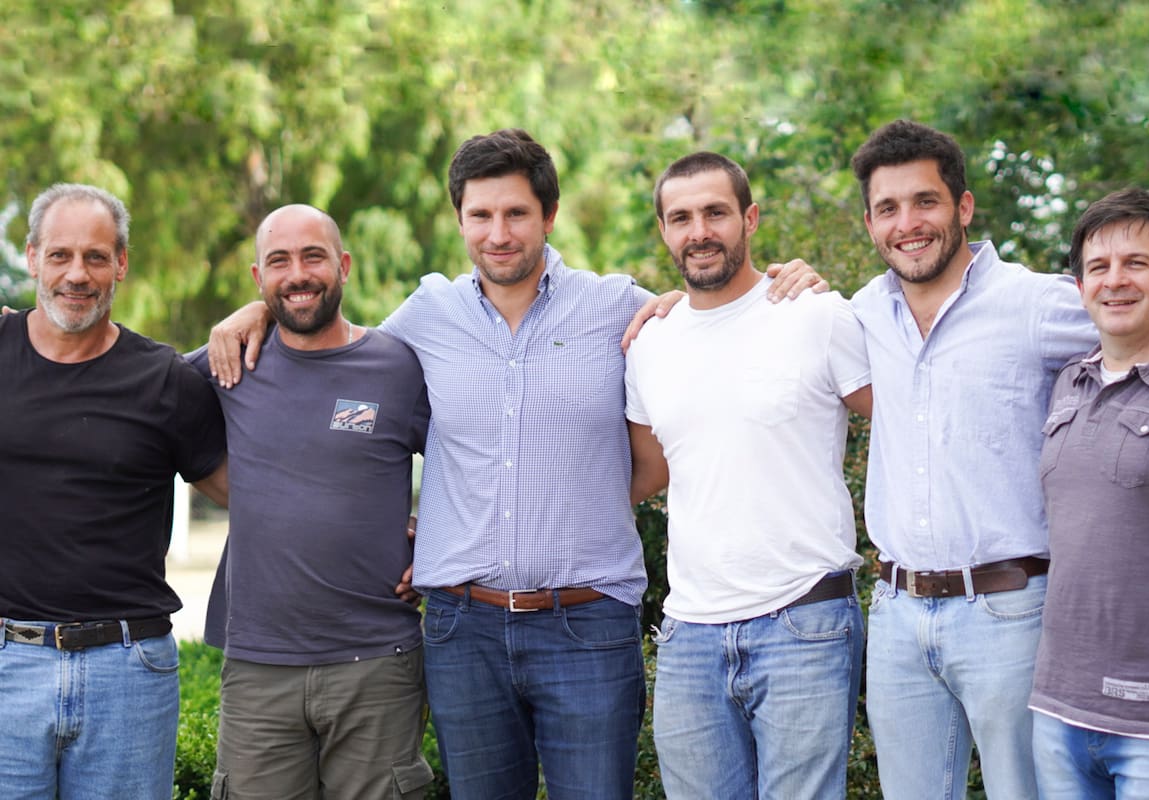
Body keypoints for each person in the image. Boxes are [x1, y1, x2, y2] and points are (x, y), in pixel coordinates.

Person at [203, 131, 828, 797]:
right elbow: (336, 351)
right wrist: (257, 312)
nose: (498, 233)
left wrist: (785, 283)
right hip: (462, 630)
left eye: (516, 214)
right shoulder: (424, 317)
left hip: (587, 625)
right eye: (481, 215)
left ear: (548, 216)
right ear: (460, 220)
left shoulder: (618, 308)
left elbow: (705, 330)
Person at [848, 120, 1096, 799]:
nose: (908, 223)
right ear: (870, 223)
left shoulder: (1034, 304)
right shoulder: (860, 315)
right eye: (888, 209)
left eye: (925, 201)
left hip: (1010, 611)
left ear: (962, 207)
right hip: (897, 616)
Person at [625, 152, 870, 798]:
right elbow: (643, 473)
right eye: (681, 217)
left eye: (715, 212)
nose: (699, 231)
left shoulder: (814, 314)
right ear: (663, 231)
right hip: (690, 636)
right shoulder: (650, 342)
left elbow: (907, 425)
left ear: (750, 219)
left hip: (804, 621)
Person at [189, 205, 433, 799]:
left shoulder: (398, 366)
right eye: (279, 262)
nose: (298, 274)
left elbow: (471, 470)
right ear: (258, 279)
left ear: (343, 266)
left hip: (378, 661)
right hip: (259, 667)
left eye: (313, 257)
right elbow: (133, 404)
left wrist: (434, 541)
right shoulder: (226, 364)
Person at [0, 183, 228, 799]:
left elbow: (253, 494)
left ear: (121, 263)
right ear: (31, 258)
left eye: (96, 257)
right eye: (60, 255)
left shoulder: (165, 380)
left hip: (128, 674)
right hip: (6, 666)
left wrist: (380, 528)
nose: (78, 274)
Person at [1030, 187, 1149, 798]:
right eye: (1098, 267)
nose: (1115, 281)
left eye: (1137, 263)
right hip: (1057, 710)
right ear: (1080, 289)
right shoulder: (1068, 383)